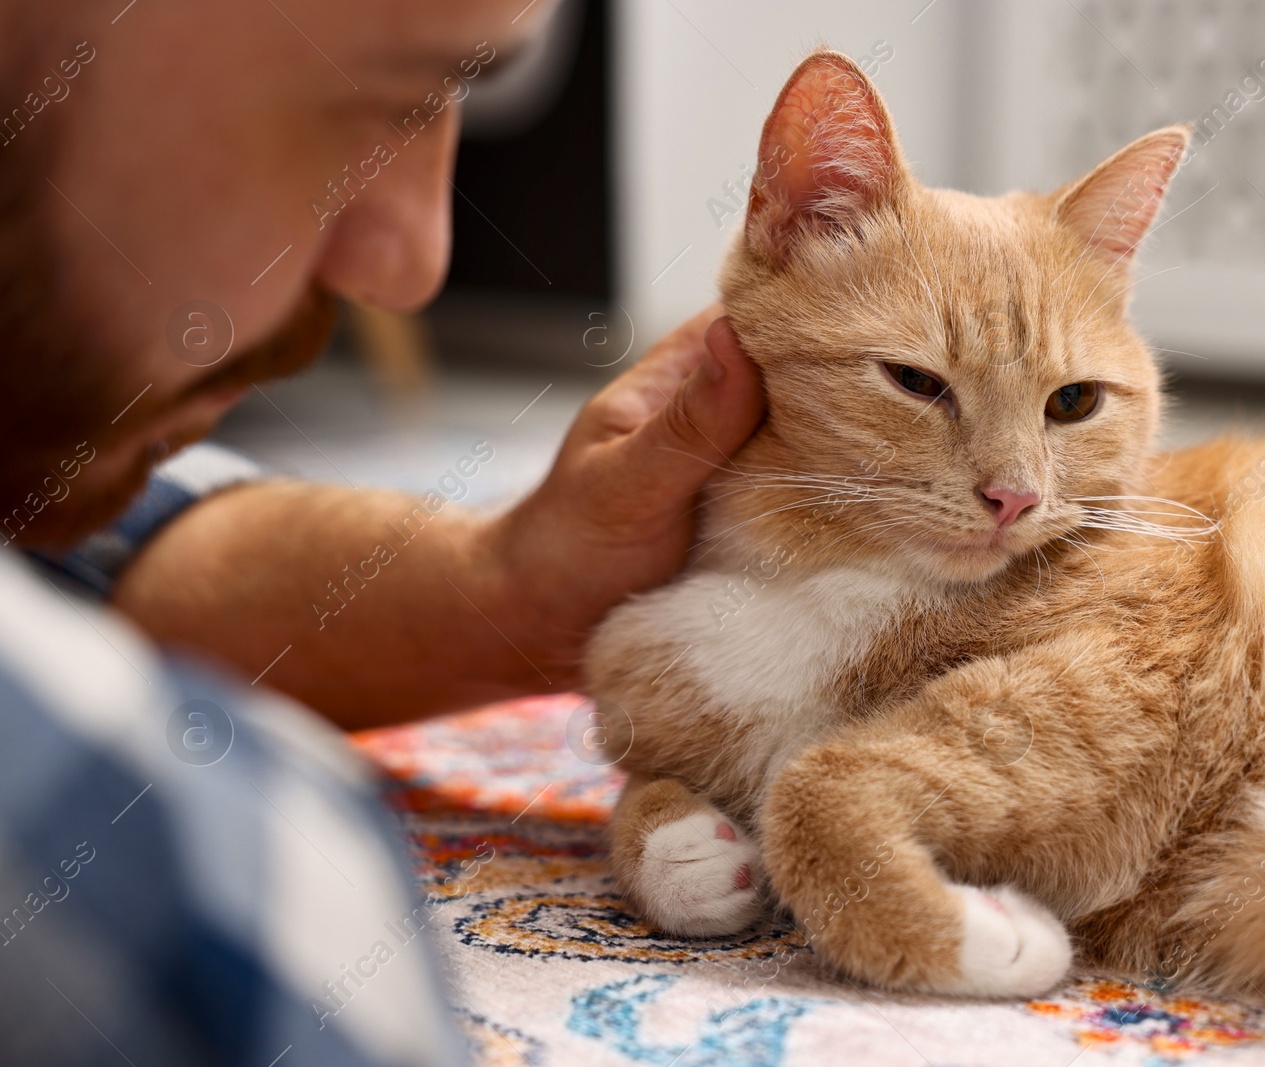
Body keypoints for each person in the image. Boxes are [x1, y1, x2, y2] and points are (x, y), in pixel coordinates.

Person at [0, 1, 764, 1063]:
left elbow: (68, 540)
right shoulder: (210, 897)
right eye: (392, 95)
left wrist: (518, 585)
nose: (410, 267)